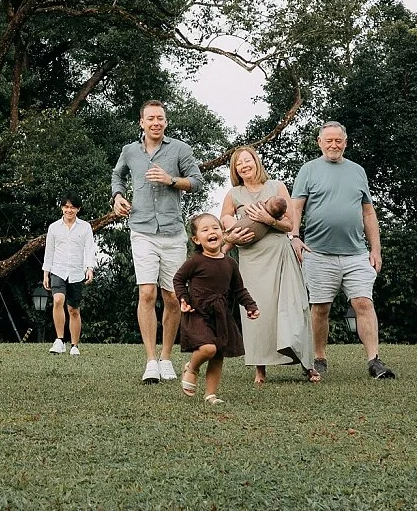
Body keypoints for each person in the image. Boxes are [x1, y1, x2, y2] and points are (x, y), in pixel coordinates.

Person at [289, 121, 397, 380]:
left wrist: (376, 250)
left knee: (363, 302)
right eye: (329, 140)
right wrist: (294, 236)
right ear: (320, 142)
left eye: (338, 141)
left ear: (345, 143)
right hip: (317, 253)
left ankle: (374, 361)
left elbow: (368, 213)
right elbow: (296, 207)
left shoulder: (358, 171)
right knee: (321, 307)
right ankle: (320, 358)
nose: (334, 145)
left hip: (356, 253)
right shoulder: (309, 170)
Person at [111, 100, 202, 383]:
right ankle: (150, 361)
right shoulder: (130, 151)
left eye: (160, 118)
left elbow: (197, 181)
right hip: (141, 230)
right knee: (147, 294)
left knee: (172, 297)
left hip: (173, 232)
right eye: (150, 118)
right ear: (141, 122)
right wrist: (117, 196)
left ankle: (166, 358)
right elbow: (118, 175)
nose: (156, 123)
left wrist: (171, 180)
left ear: (166, 122)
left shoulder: (180, 149)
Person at [219, 145, 319, 384]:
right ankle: (260, 369)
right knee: (257, 313)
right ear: (235, 170)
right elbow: (224, 223)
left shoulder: (276, 187)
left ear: (256, 161)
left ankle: (308, 366)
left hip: (279, 256)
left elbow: (289, 225)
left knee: (292, 309)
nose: (244, 165)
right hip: (251, 261)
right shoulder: (234, 194)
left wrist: (267, 219)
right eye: (239, 163)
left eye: (248, 160)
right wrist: (231, 226)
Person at [173, 213, 259, 405]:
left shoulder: (230, 263)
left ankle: (210, 394)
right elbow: (178, 279)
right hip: (197, 312)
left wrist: (250, 306)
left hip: (220, 315)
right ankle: (192, 368)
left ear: (223, 232)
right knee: (208, 348)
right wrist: (183, 299)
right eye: (205, 230)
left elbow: (239, 290)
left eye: (215, 228)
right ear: (196, 239)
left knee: (218, 354)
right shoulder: (195, 261)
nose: (211, 232)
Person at [42, 194, 96, 356]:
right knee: (58, 300)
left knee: (74, 309)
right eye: (66, 207)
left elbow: (89, 249)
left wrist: (90, 268)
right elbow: (49, 251)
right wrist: (46, 273)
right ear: (62, 208)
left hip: (76, 272)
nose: (69, 210)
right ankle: (59, 340)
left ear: (78, 209)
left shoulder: (85, 227)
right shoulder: (54, 227)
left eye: (72, 207)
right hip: (58, 270)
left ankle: (74, 345)